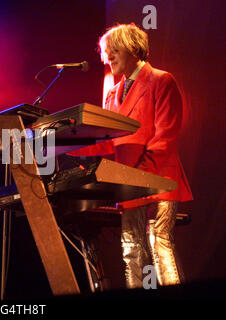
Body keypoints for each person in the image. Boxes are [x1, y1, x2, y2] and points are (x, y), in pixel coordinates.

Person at [68, 23, 193, 288]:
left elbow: (165, 136)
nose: (107, 57)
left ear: (133, 48)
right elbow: (108, 142)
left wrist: (135, 175)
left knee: (158, 243)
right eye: (106, 52)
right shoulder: (112, 94)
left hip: (159, 177)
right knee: (131, 248)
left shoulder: (162, 80)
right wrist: (67, 146)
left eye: (114, 50)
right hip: (128, 183)